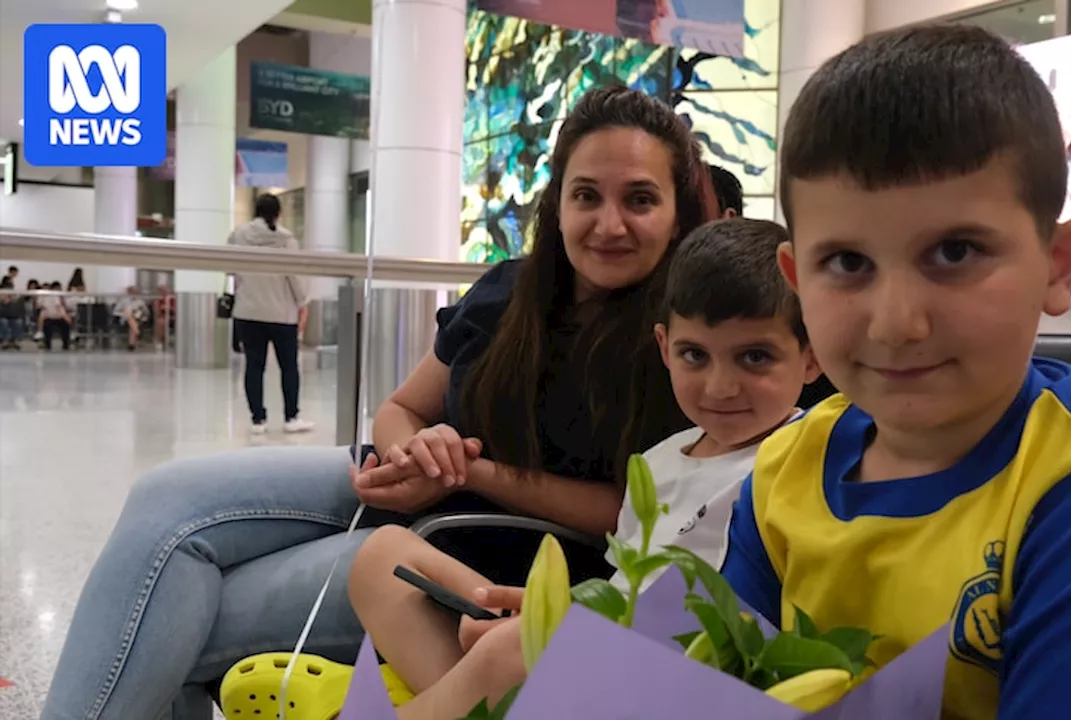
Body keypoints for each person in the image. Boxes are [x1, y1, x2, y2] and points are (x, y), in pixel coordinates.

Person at [41, 85, 716, 720]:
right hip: (395, 488)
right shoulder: (512, 291)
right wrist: (410, 447)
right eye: (587, 195)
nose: (608, 224)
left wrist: (470, 472)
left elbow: (639, 510)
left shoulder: (686, 340)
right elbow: (401, 407)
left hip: (476, 549)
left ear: (678, 211)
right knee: (164, 503)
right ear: (557, 202)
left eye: (639, 200)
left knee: (176, 610)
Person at [719, 25, 1071, 719]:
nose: (896, 321)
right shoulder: (784, 471)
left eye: (955, 252)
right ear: (796, 282)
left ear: (1059, 265)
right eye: (847, 263)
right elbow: (721, 692)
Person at [334, 217, 819, 718]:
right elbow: (624, 586)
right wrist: (553, 614)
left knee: (512, 652)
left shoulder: (798, 458)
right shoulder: (658, 460)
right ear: (664, 348)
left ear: (812, 357)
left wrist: (567, 632)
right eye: (695, 355)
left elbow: (735, 629)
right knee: (382, 556)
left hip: (673, 681)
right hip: (602, 647)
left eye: (755, 357)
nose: (720, 387)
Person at [229, 194, 314, 434]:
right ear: (278, 213)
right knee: (289, 366)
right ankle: (291, 417)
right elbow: (295, 277)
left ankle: (258, 420)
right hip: (282, 314)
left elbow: (228, 267)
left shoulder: (238, 235)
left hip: (248, 311)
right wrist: (303, 304)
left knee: (254, 366)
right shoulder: (286, 240)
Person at [38, 281, 73, 350]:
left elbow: (60, 308)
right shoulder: (44, 297)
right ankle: (47, 343)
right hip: (49, 317)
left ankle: (66, 343)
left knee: (66, 324)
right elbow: (41, 307)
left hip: (59, 316)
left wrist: (65, 316)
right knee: (47, 324)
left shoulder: (58, 296)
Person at [112, 285, 149, 351]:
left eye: (135, 291)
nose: (133, 293)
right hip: (123, 319)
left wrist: (139, 314)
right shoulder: (123, 300)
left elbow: (146, 312)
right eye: (132, 291)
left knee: (133, 323)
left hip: (137, 319)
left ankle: (131, 345)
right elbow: (115, 312)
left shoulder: (140, 301)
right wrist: (124, 313)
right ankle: (138, 334)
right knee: (129, 315)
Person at [0, 275, 25, 349]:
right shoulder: (1, 294)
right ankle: (5, 340)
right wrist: (4, 300)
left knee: (19, 322)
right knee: (3, 322)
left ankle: (16, 340)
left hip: (14, 316)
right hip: (2, 316)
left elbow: (19, 308)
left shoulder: (16, 295)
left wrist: (14, 299)